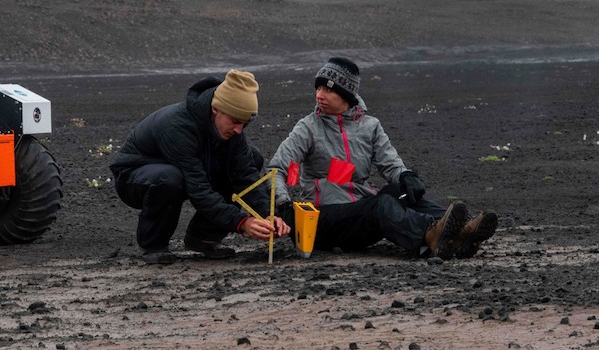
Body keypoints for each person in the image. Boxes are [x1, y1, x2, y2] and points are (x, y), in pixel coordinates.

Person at [268, 57, 497, 260]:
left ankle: (459, 232)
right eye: (317, 88)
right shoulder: (308, 127)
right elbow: (277, 168)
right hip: (323, 220)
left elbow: (391, 164)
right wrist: (282, 203)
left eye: (328, 90)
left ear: (347, 94)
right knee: (380, 205)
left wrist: (406, 176)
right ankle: (431, 235)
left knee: (403, 191)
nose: (319, 95)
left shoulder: (370, 127)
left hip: (359, 212)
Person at [110, 70, 291, 264]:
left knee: (251, 157)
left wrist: (268, 214)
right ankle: (154, 245)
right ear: (216, 109)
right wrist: (241, 222)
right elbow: (199, 190)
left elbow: (246, 175)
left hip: (183, 171)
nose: (239, 130)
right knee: (169, 178)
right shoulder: (178, 127)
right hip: (135, 178)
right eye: (235, 121)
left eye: (245, 124)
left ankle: (204, 237)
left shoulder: (232, 131)